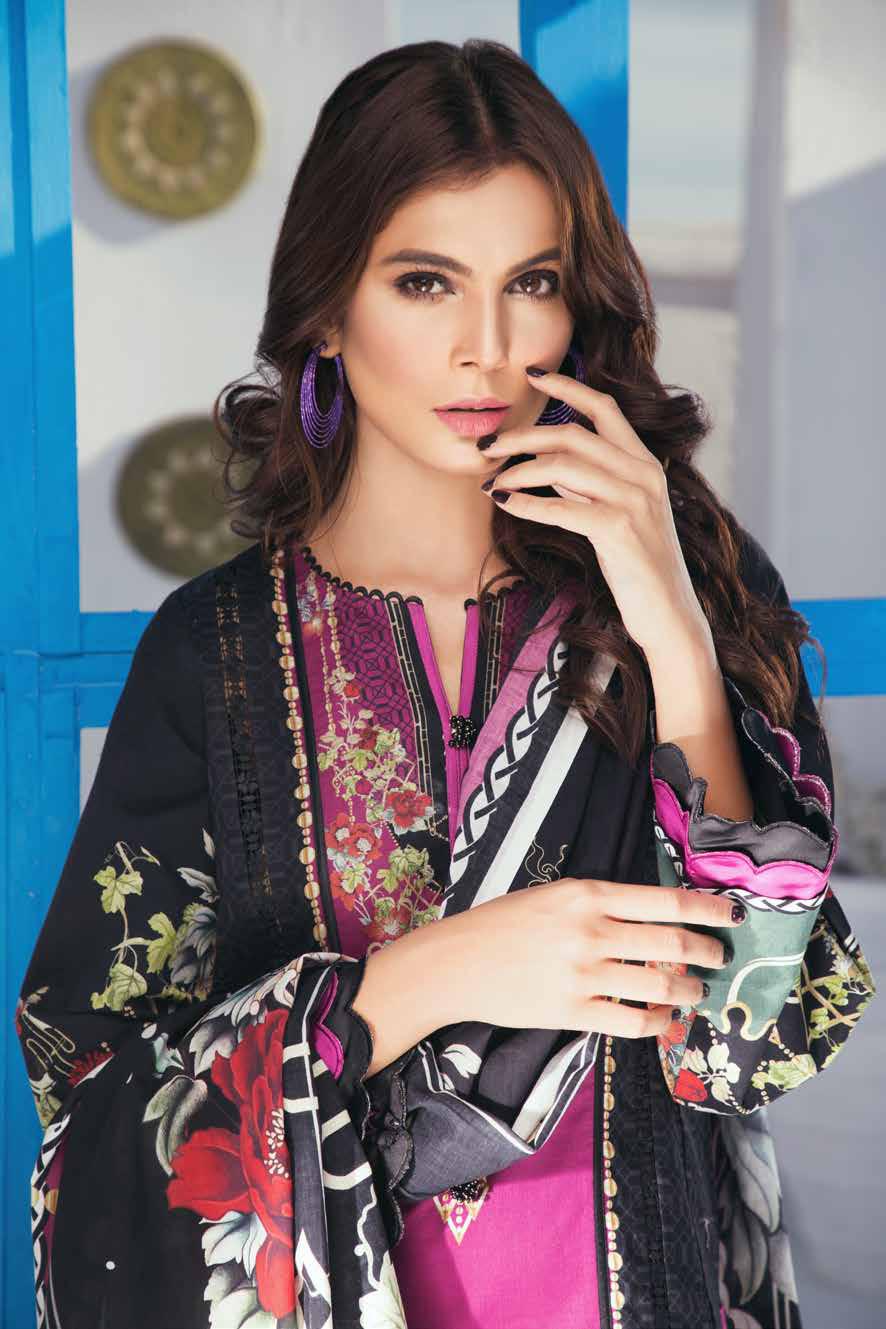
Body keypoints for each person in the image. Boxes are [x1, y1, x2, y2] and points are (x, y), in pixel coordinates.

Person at [15, 38, 875, 1329]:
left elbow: (762, 1039)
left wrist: (673, 626)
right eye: (425, 282)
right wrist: (428, 977)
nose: (486, 347)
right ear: (327, 306)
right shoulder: (219, 649)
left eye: (531, 282)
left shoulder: (683, 592)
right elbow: (91, 1102)